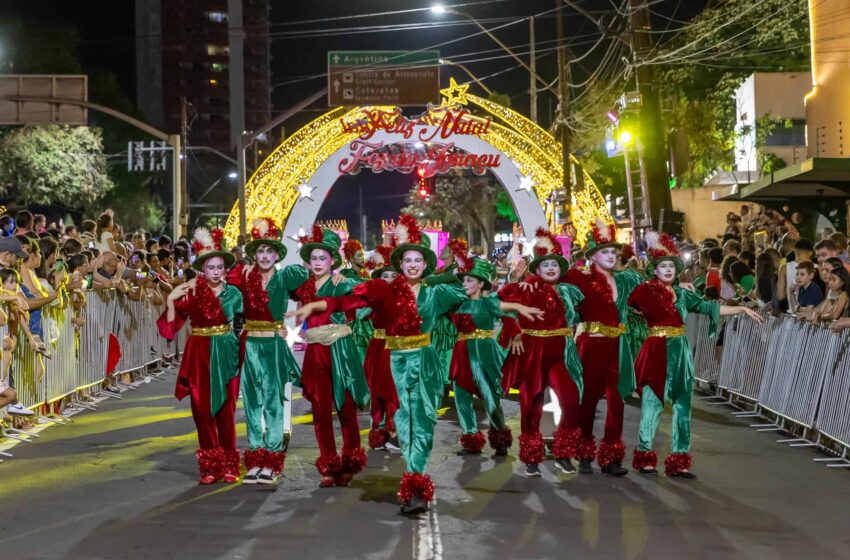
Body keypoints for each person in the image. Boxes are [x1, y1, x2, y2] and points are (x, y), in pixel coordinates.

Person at [300, 215, 467, 514]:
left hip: (426, 361)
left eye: (418, 260)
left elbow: (467, 290)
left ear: (426, 264)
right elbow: (350, 302)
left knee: (423, 423)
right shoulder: (385, 290)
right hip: (397, 362)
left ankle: (417, 483)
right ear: (399, 264)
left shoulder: (437, 292)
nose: (413, 265)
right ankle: (414, 482)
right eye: (407, 260)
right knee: (404, 423)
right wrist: (320, 304)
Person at [629, 233, 763, 478]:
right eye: (663, 266)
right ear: (655, 270)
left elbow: (710, 307)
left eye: (671, 266)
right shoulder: (645, 291)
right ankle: (645, 456)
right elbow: (631, 296)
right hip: (656, 350)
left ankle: (679, 460)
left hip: (680, 352)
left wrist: (741, 308)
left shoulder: (683, 295)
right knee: (652, 404)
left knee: (682, 406)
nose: (668, 270)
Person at [157, 227, 243, 484]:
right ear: (203, 269)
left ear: (224, 269)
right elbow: (171, 328)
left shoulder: (234, 294)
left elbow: (246, 322)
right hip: (200, 353)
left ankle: (229, 464)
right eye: (211, 267)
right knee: (202, 410)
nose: (216, 271)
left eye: (219, 267)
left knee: (226, 411)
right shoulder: (191, 291)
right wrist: (171, 299)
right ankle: (210, 466)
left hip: (226, 351)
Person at [498, 229, 585, 476]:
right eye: (544, 264)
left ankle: (563, 453)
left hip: (561, 352)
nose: (549, 268)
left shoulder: (569, 291)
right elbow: (503, 302)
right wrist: (515, 278)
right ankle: (531, 457)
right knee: (531, 405)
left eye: (553, 264)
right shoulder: (529, 287)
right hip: (533, 351)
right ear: (537, 270)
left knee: (570, 400)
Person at [289, 226, 369, 488]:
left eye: (323, 258)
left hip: (341, 351)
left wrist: (346, 281)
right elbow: (278, 284)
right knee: (321, 411)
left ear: (333, 260)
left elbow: (367, 293)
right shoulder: (304, 286)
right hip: (315, 352)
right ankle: (328, 463)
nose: (318, 263)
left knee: (345, 407)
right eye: (314, 259)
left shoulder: (344, 283)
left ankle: (350, 460)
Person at [564, 220, 644, 477]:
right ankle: (585, 452)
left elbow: (650, 283)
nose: (611, 256)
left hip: (617, 347)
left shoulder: (625, 280)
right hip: (591, 345)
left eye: (613, 252)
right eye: (605, 252)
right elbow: (554, 275)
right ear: (593, 256)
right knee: (587, 401)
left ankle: (611, 456)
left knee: (616, 401)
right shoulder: (581, 278)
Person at [227, 218, 301, 485]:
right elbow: (216, 279)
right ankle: (256, 459)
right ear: (254, 254)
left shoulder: (286, 277)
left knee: (272, 403)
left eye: (269, 251)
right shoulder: (243, 276)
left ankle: (271, 459)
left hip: (272, 346)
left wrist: (289, 326)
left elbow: (315, 286)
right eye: (260, 251)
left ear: (276, 254)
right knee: (251, 404)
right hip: (250, 346)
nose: (265, 256)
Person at [450, 256, 541, 457]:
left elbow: (509, 312)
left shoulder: (490, 302)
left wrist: (517, 334)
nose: (465, 284)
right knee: (462, 398)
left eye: (470, 280)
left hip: (484, 353)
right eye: (464, 280)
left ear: (481, 284)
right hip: (462, 353)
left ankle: (500, 437)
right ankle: (470, 440)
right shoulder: (456, 303)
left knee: (490, 398)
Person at [359, 243, 401, 450]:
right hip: (376, 348)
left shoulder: (404, 298)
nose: (389, 280)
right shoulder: (373, 297)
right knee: (375, 392)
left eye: (394, 276)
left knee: (392, 392)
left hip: (395, 348)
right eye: (385, 276)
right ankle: (378, 433)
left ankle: (393, 434)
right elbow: (358, 314)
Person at [426, 238, 467, 387]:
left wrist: (418, 277)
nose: (441, 251)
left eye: (445, 249)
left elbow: (434, 281)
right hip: (441, 319)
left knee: (446, 351)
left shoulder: (456, 270)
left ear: (452, 254)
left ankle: (446, 379)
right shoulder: (445, 270)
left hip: (449, 320)